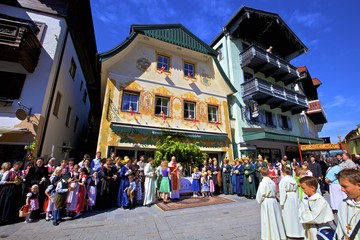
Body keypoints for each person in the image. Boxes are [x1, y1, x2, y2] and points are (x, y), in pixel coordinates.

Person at [256, 167, 286, 240]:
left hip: (267, 201)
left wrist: (259, 200)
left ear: (261, 174)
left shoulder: (263, 183)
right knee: (275, 218)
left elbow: (262, 194)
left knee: (268, 219)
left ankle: (269, 236)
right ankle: (278, 234)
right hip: (273, 201)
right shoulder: (272, 181)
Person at [279, 167, 304, 238]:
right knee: (295, 214)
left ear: (283, 172)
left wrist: (281, 202)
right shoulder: (293, 179)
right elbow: (297, 189)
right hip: (294, 196)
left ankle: (290, 231)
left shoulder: (283, 180)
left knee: (288, 214)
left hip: (287, 197)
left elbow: (282, 191)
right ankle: (298, 231)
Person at [335, 168, 360, 240]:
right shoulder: (343, 204)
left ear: (358, 185)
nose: (342, 189)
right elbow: (339, 230)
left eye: (345, 186)